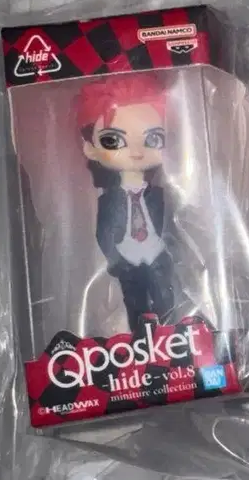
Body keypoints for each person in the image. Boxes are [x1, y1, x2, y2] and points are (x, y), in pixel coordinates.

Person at [75, 72, 175, 331]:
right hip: (127, 262)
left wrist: (170, 252)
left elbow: (173, 226)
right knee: (135, 307)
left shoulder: (161, 195)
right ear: (89, 147)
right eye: (113, 140)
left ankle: (171, 338)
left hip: (159, 256)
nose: (137, 152)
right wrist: (117, 260)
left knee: (167, 303)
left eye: (153, 138)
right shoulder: (109, 200)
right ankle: (141, 342)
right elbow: (103, 233)